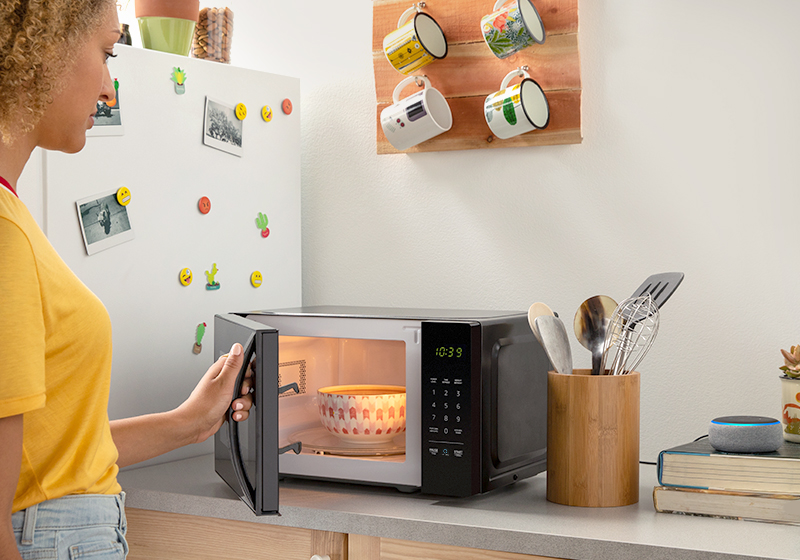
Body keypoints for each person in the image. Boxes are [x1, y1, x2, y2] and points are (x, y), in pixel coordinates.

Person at [0, 2, 253, 558]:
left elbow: (54, 456)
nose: (110, 88)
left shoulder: (13, 217)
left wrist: (190, 422)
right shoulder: (3, 230)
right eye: (107, 52)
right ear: (44, 48)